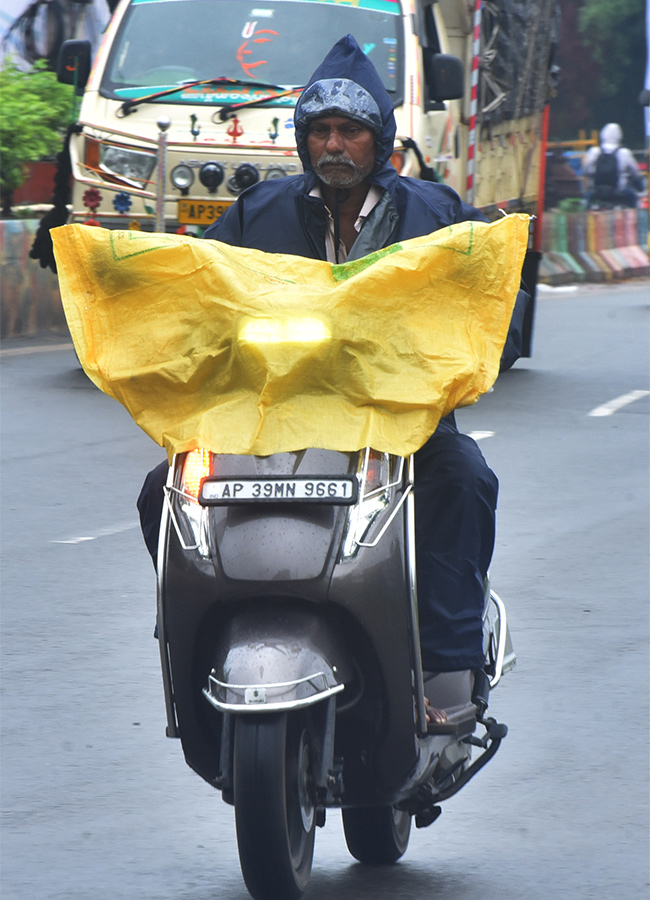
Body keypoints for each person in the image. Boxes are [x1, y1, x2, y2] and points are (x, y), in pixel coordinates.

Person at [137, 35, 527, 728]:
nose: (334, 145)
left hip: (398, 418)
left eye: (349, 130)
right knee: (161, 494)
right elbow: (202, 289)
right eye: (320, 130)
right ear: (302, 141)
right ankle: (189, 642)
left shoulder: (435, 213)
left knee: (464, 478)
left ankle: (447, 662)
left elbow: (489, 292)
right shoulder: (258, 214)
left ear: (380, 139)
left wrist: (489, 312)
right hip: (275, 413)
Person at [582, 123, 644, 208]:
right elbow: (635, 174)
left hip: (597, 193)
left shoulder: (594, 151)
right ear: (619, 136)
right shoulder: (624, 153)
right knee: (633, 197)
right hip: (620, 193)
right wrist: (641, 188)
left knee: (585, 200)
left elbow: (585, 170)